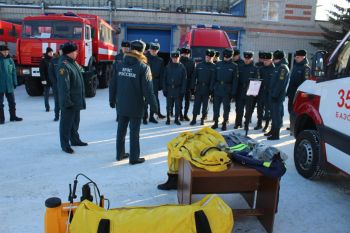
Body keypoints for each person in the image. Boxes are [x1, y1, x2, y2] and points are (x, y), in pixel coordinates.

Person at [109, 40, 157, 164]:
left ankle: (119, 154)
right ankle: (134, 158)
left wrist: (112, 99)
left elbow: (112, 83)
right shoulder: (143, 67)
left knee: (121, 130)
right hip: (136, 105)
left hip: (122, 104)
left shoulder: (119, 64)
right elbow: (148, 90)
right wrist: (154, 106)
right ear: (142, 51)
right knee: (134, 132)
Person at [57, 42, 88, 154]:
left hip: (76, 100)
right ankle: (65, 145)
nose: (77, 53)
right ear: (69, 52)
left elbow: (81, 72)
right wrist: (67, 101)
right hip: (69, 101)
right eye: (75, 51)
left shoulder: (72, 62)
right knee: (66, 124)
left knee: (75, 122)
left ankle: (75, 140)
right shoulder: (64, 65)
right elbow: (63, 86)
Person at [211, 48, 238, 131]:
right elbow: (213, 77)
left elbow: (235, 80)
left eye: (228, 56)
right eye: (225, 56)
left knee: (226, 108)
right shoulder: (218, 64)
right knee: (216, 107)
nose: (226, 57)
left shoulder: (234, 66)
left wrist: (233, 92)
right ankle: (215, 122)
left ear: (231, 56)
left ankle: (224, 122)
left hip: (227, 89)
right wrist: (212, 88)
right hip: (218, 88)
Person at [266, 50, 290, 140]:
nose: (273, 61)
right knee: (273, 114)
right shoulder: (278, 66)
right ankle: (273, 130)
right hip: (273, 95)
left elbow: (280, 83)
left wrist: (275, 95)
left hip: (277, 96)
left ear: (279, 59)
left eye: (275, 59)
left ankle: (276, 135)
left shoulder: (283, 68)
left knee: (276, 115)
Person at [190, 49, 216, 125]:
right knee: (196, 104)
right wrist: (192, 87)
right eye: (207, 57)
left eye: (210, 57)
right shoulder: (199, 65)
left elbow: (213, 79)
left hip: (207, 88)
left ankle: (203, 118)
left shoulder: (214, 67)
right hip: (199, 87)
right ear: (205, 56)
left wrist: (211, 90)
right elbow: (194, 77)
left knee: (205, 105)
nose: (208, 58)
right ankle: (194, 118)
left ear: (213, 57)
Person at [235, 51, 259, 130]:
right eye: (245, 58)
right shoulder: (240, 67)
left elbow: (256, 81)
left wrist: (254, 92)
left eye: (248, 59)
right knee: (239, 108)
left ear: (251, 58)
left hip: (250, 91)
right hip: (240, 90)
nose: (246, 60)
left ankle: (246, 124)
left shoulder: (255, 69)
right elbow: (237, 79)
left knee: (248, 109)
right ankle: (238, 122)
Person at [286, 50, 310, 130]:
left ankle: (296, 127)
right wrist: (288, 91)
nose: (296, 58)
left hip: (299, 94)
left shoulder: (306, 68)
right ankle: (292, 125)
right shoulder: (296, 66)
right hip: (292, 93)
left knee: (296, 111)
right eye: (295, 57)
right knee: (290, 110)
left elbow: (306, 83)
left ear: (303, 57)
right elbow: (291, 80)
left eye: (297, 57)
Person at [143, 42, 165, 124]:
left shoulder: (160, 60)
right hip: (145, 81)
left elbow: (162, 73)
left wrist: (160, 85)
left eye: (155, 50)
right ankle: (144, 117)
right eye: (152, 49)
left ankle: (152, 117)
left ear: (158, 51)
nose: (153, 51)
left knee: (153, 100)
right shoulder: (144, 58)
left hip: (155, 82)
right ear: (150, 49)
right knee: (145, 100)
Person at [163, 51, 187, 125]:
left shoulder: (182, 67)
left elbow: (184, 80)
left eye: (176, 58)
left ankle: (176, 119)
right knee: (168, 106)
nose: (175, 59)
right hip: (169, 89)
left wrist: (183, 90)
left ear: (179, 58)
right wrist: (165, 89)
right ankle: (168, 119)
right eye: (173, 58)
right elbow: (164, 79)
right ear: (171, 58)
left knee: (177, 106)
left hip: (178, 89)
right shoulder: (168, 67)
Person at [0, 45, 22, 124]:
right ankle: (1, 119)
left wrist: (15, 82)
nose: (6, 52)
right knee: (0, 103)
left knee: (12, 102)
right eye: (4, 51)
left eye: (7, 51)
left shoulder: (10, 60)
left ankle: (13, 116)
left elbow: (13, 71)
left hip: (9, 84)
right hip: (1, 85)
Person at [260, 52, 275, 132]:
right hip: (262, 91)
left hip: (270, 92)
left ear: (271, 60)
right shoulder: (261, 69)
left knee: (268, 110)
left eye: (267, 60)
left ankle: (267, 125)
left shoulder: (275, 69)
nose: (265, 61)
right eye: (264, 60)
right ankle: (259, 123)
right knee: (260, 108)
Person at [179, 47, 195, 121]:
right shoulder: (178, 60)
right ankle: (180, 114)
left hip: (188, 83)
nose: (185, 55)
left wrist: (192, 86)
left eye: (187, 54)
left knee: (187, 101)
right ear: (181, 54)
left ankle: (185, 114)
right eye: (184, 54)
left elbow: (193, 75)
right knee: (179, 100)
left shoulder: (192, 62)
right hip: (180, 83)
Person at [48, 45, 63, 121]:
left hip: (65, 85)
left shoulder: (67, 60)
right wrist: (54, 82)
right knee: (57, 101)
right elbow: (50, 72)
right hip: (56, 85)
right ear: (58, 51)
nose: (61, 51)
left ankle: (64, 116)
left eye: (63, 50)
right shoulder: (54, 60)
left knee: (64, 101)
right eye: (60, 50)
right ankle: (56, 115)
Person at [40, 47, 54, 112]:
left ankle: (57, 107)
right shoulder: (43, 60)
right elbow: (41, 71)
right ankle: (47, 107)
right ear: (47, 53)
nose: (51, 53)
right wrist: (43, 79)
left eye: (52, 52)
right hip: (46, 80)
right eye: (50, 52)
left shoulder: (53, 59)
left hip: (53, 80)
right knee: (46, 94)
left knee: (56, 94)